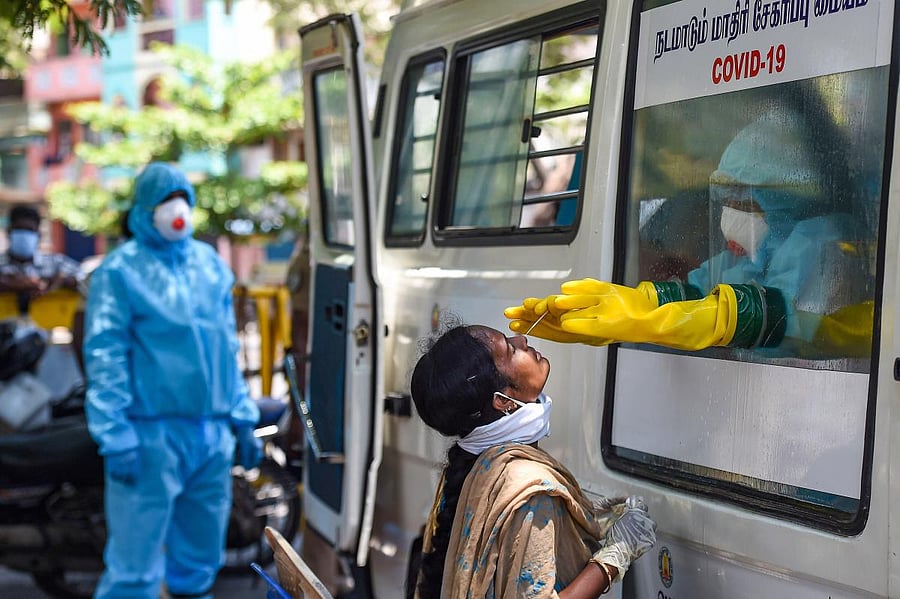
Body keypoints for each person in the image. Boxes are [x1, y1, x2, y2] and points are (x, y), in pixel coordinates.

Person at [506, 110, 874, 358]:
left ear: (782, 201)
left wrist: (719, 319)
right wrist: (641, 304)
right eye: (724, 201)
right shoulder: (744, 257)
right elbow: (700, 291)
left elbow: (805, 329)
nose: (727, 216)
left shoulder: (817, 242)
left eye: (742, 202)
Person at [83, 162, 262, 599]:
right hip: (147, 436)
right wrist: (115, 433)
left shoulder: (209, 266)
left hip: (210, 433)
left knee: (200, 560)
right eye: (164, 200)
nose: (176, 209)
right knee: (134, 566)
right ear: (143, 211)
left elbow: (226, 350)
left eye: (181, 197)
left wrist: (241, 417)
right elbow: (105, 355)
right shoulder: (120, 272)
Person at [409, 319, 657, 598]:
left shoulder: (469, 471)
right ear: (502, 400)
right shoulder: (527, 489)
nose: (522, 342)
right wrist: (615, 557)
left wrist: (577, 514)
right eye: (510, 351)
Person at [0, 204, 85, 300]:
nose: (24, 235)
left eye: (29, 230)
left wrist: (62, 280)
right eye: (19, 229)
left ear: (39, 235)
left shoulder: (56, 263)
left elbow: (85, 278)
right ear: (8, 232)